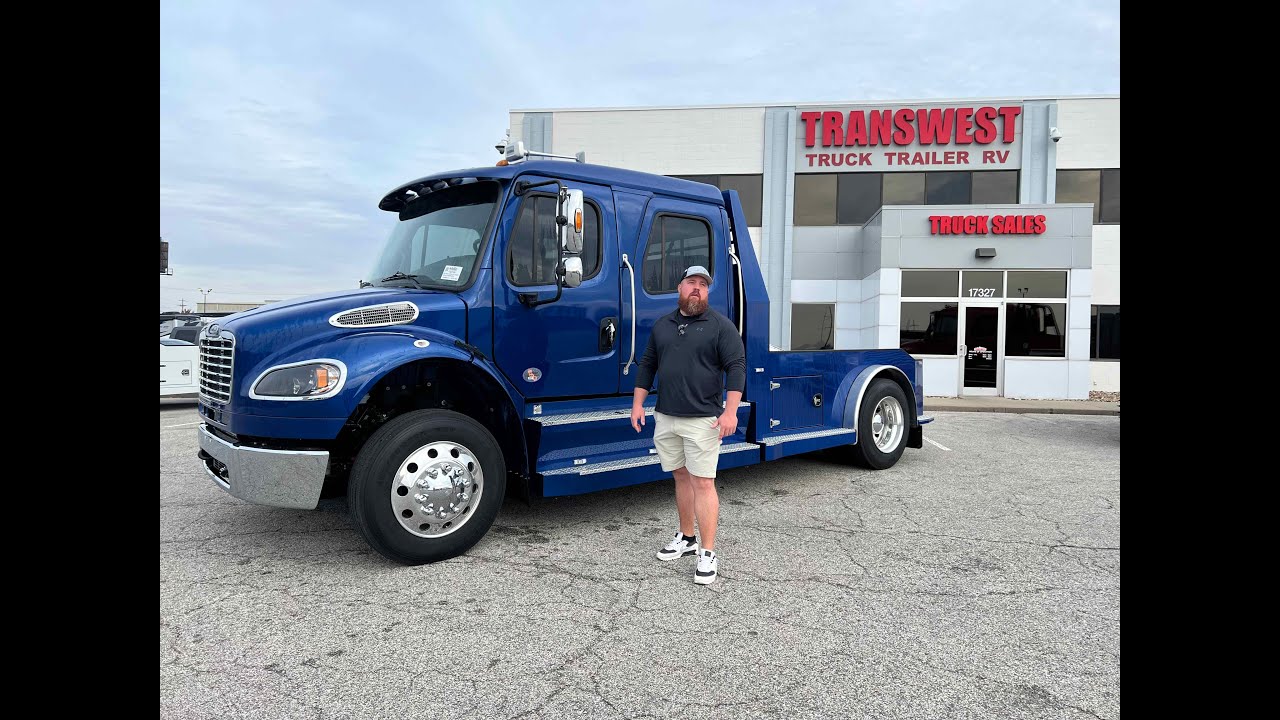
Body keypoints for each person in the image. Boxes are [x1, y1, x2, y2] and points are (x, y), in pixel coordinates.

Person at [631, 265, 746, 585]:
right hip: (666, 417)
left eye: (703, 285)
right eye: (691, 283)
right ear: (679, 288)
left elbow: (736, 367)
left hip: (703, 422)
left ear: (707, 292)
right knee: (681, 477)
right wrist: (638, 404)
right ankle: (687, 537)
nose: (697, 289)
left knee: (703, 483)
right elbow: (648, 365)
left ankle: (707, 552)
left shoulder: (721, 327)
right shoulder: (662, 326)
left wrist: (730, 412)